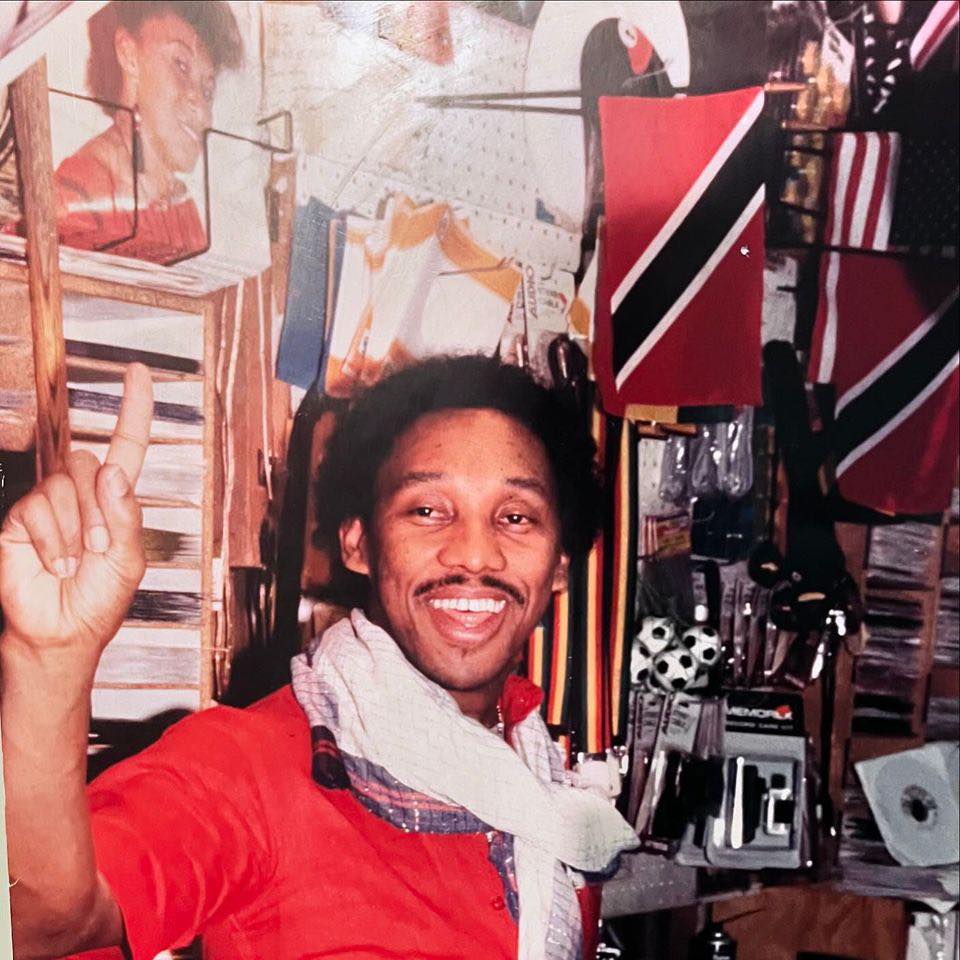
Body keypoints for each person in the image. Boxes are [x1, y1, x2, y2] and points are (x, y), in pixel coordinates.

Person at [0, 355, 638, 960]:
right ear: (358, 543)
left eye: (516, 517)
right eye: (427, 510)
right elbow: (40, 919)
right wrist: (48, 659)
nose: (474, 554)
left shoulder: (546, 789)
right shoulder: (251, 767)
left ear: (558, 564)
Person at [51, 1, 243, 263]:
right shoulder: (77, 192)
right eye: (181, 65)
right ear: (129, 55)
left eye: (207, 90)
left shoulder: (184, 213)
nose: (200, 107)